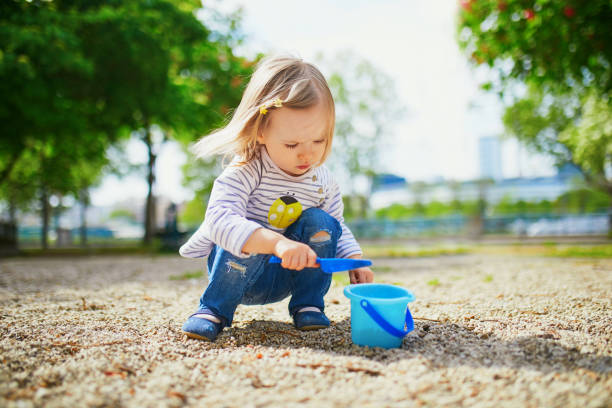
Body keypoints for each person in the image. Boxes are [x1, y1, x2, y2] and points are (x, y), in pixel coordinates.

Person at [179, 55, 374, 342]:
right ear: (260, 130)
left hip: (288, 276)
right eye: (292, 144)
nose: (307, 154)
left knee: (322, 220)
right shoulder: (247, 169)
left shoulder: (322, 181)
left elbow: (338, 226)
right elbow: (220, 221)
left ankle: (308, 303)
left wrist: (354, 258)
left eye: (318, 141)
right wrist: (277, 243)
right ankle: (213, 309)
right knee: (246, 228)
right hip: (237, 274)